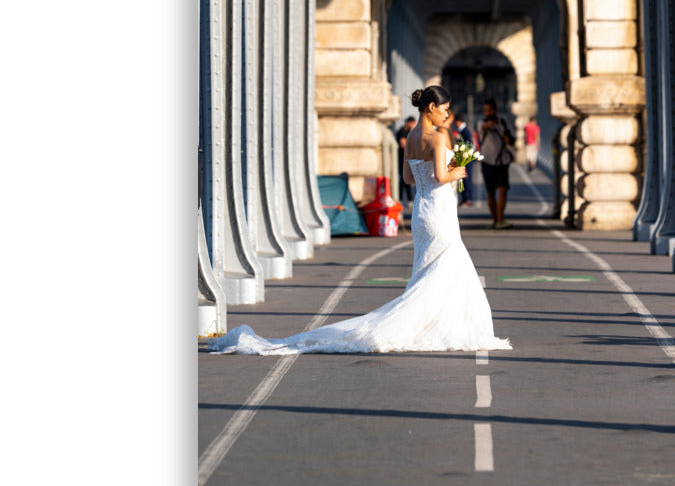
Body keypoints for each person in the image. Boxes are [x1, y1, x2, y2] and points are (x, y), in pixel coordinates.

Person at [207, 85, 510, 355]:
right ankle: (437, 325)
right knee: (446, 267)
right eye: (444, 109)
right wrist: (457, 170)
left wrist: (439, 172)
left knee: (428, 271)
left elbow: (408, 177)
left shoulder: (413, 135)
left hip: (422, 210)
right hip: (440, 213)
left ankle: (428, 323)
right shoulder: (437, 137)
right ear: (431, 108)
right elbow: (443, 176)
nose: (447, 115)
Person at [477, 97, 514, 230]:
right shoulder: (481, 123)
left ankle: (500, 219)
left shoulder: (503, 123)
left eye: (489, 110)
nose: (487, 113)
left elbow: (511, 140)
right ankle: (494, 219)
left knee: (503, 190)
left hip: (502, 161)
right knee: (490, 192)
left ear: (495, 110)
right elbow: (483, 128)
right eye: (485, 111)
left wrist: (508, 139)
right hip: (487, 161)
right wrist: (489, 125)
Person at [452, 113, 474, 206]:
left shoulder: (465, 131)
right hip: (463, 157)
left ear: (457, 121)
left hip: (466, 158)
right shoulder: (463, 130)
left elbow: (468, 145)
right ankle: (464, 198)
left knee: (467, 178)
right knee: (463, 179)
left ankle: (468, 198)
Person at [395, 117, 416, 204]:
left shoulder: (409, 132)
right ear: (408, 122)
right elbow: (403, 144)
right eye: (413, 123)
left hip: (407, 158)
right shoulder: (402, 131)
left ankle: (408, 198)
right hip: (402, 158)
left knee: (407, 179)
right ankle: (402, 198)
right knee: (404, 179)